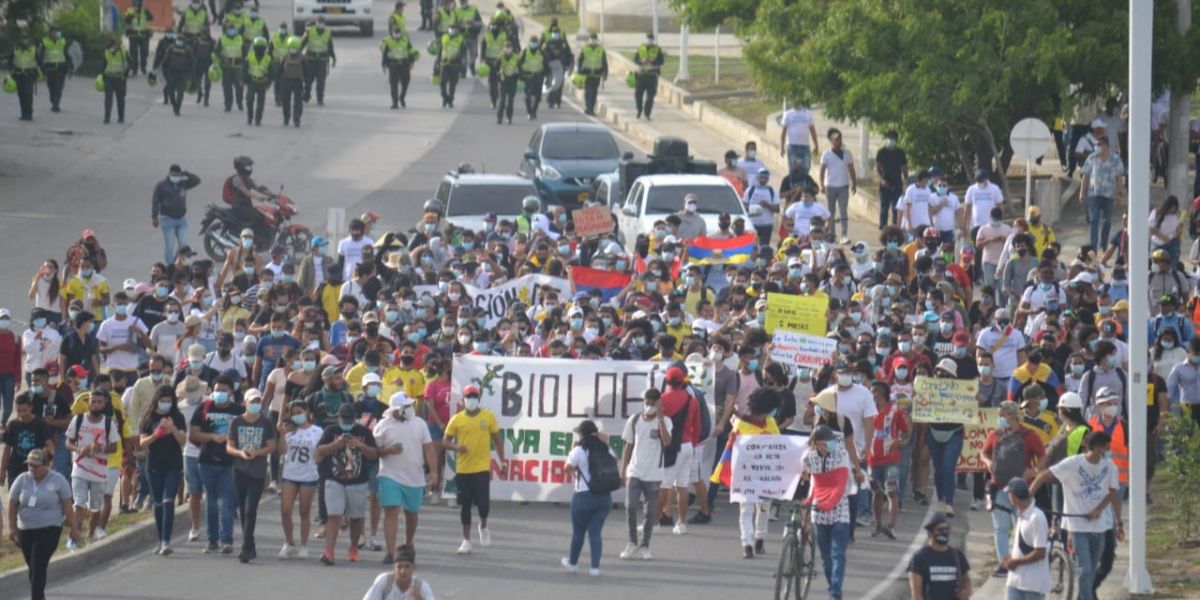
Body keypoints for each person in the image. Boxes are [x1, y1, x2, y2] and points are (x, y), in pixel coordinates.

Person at [1029, 431, 1122, 600]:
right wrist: (1027, 500)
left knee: (1091, 571)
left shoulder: (1110, 467)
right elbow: (1043, 476)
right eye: (1106, 448)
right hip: (1077, 526)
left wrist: (1108, 515)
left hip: (1099, 526)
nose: (1108, 452)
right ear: (1096, 448)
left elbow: (1113, 493)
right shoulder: (1072, 464)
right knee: (1085, 569)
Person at [6, 450, 81, 600]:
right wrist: (12, 528)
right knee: (33, 567)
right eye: (30, 466)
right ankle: (39, 596)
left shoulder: (58, 480)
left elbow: (67, 506)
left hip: (49, 528)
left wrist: (73, 528)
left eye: (36, 466)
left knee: (38, 563)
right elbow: (13, 504)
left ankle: (36, 597)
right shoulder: (22, 480)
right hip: (25, 530)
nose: (32, 469)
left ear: (46, 465)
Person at [981, 400, 1044, 577]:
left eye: (1003, 415)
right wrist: (989, 463)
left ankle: (1019, 560)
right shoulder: (995, 434)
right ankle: (1004, 563)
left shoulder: (1030, 436)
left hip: (1020, 490)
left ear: (1013, 416)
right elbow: (983, 453)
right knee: (1000, 528)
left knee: (1021, 527)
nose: (1000, 418)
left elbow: (1043, 456)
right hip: (998, 487)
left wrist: (1034, 472)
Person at [441, 384, 507, 554]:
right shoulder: (457, 419)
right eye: (468, 396)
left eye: (474, 397)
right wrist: (456, 448)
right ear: (463, 400)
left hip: (482, 467)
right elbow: (444, 441)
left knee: (483, 504)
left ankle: (483, 526)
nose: (471, 399)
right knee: (465, 506)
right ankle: (466, 541)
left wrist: (503, 463)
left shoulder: (488, 417)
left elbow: (498, 441)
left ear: (478, 399)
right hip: (463, 468)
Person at [373, 391, 437, 562]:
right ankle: (391, 551)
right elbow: (375, 451)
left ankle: (408, 544)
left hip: (414, 476)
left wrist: (433, 471)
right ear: (396, 408)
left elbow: (429, 447)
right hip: (389, 474)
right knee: (391, 511)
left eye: (410, 405)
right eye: (406, 406)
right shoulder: (383, 425)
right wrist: (388, 451)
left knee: (411, 513)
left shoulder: (419, 424)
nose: (410, 409)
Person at [316, 402, 378, 566]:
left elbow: (373, 455)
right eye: (344, 419)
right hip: (334, 478)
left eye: (350, 419)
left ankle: (353, 548)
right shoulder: (331, 431)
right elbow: (318, 452)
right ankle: (329, 552)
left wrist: (360, 445)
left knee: (356, 517)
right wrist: (335, 445)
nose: (347, 422)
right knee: (334, 515)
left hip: (357, 480)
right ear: (339, 418)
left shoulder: (363, 432)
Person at [189, 374, 244, 554]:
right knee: (211, 502)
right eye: (218, 390)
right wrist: (212, 436)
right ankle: (212, 539)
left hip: (230, 462)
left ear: (231, 391)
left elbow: (244, 433)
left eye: (224, 390)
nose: (220, 393)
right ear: (212, 391)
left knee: (226, 501)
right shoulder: (204, 408)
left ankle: (226, 539)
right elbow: (194, 435)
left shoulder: (238, 410)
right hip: (207, 461)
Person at [801, 425, 854, 600]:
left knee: (838, 553)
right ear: (815, 444)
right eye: (821, 444)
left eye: (828, 443)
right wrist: (808, 504)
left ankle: (836, 592)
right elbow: (814, 483)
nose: (825, 447)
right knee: (825, 556)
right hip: (819, 510)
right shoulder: (809, 458)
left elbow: (840, 484)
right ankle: (833, 585)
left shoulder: (842, 455)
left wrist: (829, 502)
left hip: (839, 508)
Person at [619, 388, 670, 561]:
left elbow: (667, 441)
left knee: (650, 513)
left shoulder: (665, 421)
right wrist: (623, 469)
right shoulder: (633, 420)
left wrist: (661, 418)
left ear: (659, 404)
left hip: (654, 473)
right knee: (631, 506)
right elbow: (628, 446)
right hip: (635, 471)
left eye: (652, 404)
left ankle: (645, 545)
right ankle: (632, 542)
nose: (648, 407)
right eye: (646, 403)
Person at [226, 388, 276, 562]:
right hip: (240, 470)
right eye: (252, 401)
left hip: (258, 471)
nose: (255, 404)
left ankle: (246, 547)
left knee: (250, 508)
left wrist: (258, 452)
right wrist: (241, 453)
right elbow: (229, 446)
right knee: (242, 509)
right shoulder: (237, 422)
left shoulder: (266, 422)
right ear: (245, 403)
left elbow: (271, 446)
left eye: (258, 401)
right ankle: (250, 543)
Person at [562, 419, 617, 576]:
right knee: (595, 532)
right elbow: (615, 461)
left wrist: (573, 450)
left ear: (582, 435)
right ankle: (595, 568)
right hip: (604, 497)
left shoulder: (579, 451)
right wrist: (606, 442)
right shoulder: (606, 449)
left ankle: (573, 564)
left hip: (583, 496)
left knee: (578, 532)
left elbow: (567, 469)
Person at [65, 388, 120, 540]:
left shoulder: (108, 423)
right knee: (79, 503)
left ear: (104, 404)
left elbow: (114, 446)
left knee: (95, 507)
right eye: (93, 401)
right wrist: (79, 449)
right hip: (80, 468)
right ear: (88, 403)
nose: (96, 405)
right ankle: (73, 538)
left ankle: (90, 535)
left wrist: (100, 448)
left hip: (99, 471)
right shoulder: (78, 420)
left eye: (99, 402)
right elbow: (68, 443)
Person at [139, 385, 187, 555]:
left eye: (169, 401)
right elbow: (142, 443)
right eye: (162, 401)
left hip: (173, 464)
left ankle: (166, 541)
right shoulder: (149, 417)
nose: (166, 404)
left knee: (168, 501)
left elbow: (183, 440)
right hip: (153, 466)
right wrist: (157, 433)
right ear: (156, 401)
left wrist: (172, 428)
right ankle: (160, 540)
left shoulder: (177, 417)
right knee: (157, 503)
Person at [279, 399, 322, 558]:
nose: (297, 416)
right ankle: (289, 542)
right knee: (286, 510)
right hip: (290, 473)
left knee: (304, 511)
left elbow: (320, 452)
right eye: (293, 414)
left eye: (299, 413)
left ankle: (304, 545)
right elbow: (280, 451)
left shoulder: (317, 431)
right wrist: (282, 434)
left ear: (307, 413)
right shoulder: (288, 431)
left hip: (308, 474)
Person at [1001, 477, 1052, 600]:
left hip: (1033, 584)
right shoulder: (1022, 515)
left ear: (1013, 497)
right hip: (1015, 580)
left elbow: (1040, 552)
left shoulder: (1036, 518)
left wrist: (1016, 562)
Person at [907, 512, 971, 600]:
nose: (944, 532)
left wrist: (965, 592)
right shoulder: (919, 558)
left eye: (947, 529)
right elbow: (916, 593)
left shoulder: (957, 555)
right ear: (930, 533)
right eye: (940, 530)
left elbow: (966, 580)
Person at [1078, 134, 1125, 250]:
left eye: (1099, 145)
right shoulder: (1092, 158)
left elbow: (1119, 178)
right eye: (1095, 145)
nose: (1096, 147)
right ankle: (1093, 247)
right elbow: (1085, 176)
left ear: (1106, 146)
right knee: (1094, 220)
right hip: (1093, 194)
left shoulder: (1115, 159)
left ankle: (1103, 245)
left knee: (1107, 221)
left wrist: (1119, 194)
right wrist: (1082, 193)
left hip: (1109, 196)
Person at [1, 394, 55, 489]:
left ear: (31, 408)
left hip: (36, 468)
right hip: (15, 469)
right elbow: (7, 449)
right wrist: (2, 470)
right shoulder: (13, 424)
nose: (22, 414)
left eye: (24, 410)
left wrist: (49, 467)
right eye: (18, 411)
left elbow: (50, 446)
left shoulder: (41, 424)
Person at [151, 165, 201, 265]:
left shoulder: (183, 184)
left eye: (178, 175)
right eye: (174, 175)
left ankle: (176, 262)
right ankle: (170, 266)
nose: (176, 177)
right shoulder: (161, 186)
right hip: (167, 219)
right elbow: (155, 201)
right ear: (169, 174)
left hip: (181, 219)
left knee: (184, 244)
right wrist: (154, 216)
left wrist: (186, 174)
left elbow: (197, 180)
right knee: (169, 246)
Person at [819, 128, 858, 243]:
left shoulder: (847, 154)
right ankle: (831, 235)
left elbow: (851, 169)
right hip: (830, 186)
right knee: (830, 211)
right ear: (831, 140)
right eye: (836, 139)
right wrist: (821, 184)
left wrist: (854, 184)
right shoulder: (826, 154)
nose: (838, 141)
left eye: (839, 139)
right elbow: (821, 171)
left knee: (843, 210)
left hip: (843, 186)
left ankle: (844, 235)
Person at [361, 544, 436, 600]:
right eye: (399, 567)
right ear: (393, 568)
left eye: (407, 567)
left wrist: (419, 599)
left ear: (414, 567)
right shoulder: (385, 581)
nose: (403, 571)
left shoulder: (421, 587)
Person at [875, 131, 908, 229]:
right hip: (885, 184)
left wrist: (906, 180)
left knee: (896, 208)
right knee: (884, 208)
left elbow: (904, 167)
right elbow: (877, 167)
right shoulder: (881, 152)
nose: (891, 141)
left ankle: (895, 228)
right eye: (889, 138)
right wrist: (881, 180)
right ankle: (883, 227)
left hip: (897, 184)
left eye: (893, 139)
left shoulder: (900, 153)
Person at [156, 34, 195, 116]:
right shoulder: (171, 48)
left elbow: (191, 63)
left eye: (181, 40)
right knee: (170, 92)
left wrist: (191, 75)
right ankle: (174, 104)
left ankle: (177, 108)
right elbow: (166, 61)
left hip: (182, 74)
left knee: (180, 92)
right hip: (172, 73)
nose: (179, 42)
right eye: (178, 40)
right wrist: (164, 72)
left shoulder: (188, 50)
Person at [38, 26, 74, 113]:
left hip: (61, 68)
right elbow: (40, 55)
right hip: (49, 68)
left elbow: (67, 54)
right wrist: (41, 68)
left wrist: (70, 66)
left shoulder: (62, 41)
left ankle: (55, 105)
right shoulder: (45, 41)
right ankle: (53, 100)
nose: (56, 34)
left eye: (58, 32)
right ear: (50, 33)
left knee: (59, 87)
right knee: (51, 87)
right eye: (54, 32)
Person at [302, 17, 336, 105]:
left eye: (322, 23)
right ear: (316, 23)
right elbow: (302, 44)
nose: (321, 25)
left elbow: (330, 46)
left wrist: (333, 57)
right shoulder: (309, 31)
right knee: (308, 80)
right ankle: (307, 95)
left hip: (322, 60)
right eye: (319, 23)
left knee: (321, 82)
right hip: (310, 60)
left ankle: (320, 99)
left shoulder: (327, 33)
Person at [380, 29, 416, 109]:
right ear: (392, 33)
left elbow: (411, 50)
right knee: (393, 84)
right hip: (393, 65)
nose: (396, 34)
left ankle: (402, 97)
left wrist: (412, 61)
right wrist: (384, 65)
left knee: (405, 83)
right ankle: (394, 103)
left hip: (404, 64)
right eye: (395, 33)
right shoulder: (388, 41)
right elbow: (385, 54)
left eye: (398, 33)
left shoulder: (405, 40)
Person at [216, 21, 246, 112]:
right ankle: (228, 104)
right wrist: (222, 58)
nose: (232, 30)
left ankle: (239, 102)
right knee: (227, 87)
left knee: (239, 86)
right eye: (230, 29)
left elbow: (244, 52)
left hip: (238, 66)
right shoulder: (222, 39)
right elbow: (216, 52)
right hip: (226, 66)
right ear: (226, 30)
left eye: (233, 29)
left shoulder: (240, 38)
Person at [633, 32, 663, 120]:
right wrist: (642, 61)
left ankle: (647, 113)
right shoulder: (641, 48)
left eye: (651, 39)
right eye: (648, 39)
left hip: (652, 76)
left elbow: (661, 61)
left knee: (650, 97)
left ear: (653, 40)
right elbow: (635, 59)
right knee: (638, 95)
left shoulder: (657, 49)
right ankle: (639, 110)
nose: (649, 40)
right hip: (641, 75)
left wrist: (652, 62)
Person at [517, 35, 548, 120]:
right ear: (529, 43)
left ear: (538, 44)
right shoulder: (525, 52)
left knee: (538, 97)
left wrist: (547, 77)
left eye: (535, 43)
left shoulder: (542, 52)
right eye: (532, 43)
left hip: (538, 76)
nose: (533, 44)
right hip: (527, 76)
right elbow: (519, 64)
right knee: (528, 96)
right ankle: (529, 112)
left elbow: (546, 65)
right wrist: (520, 76)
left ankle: (534, 111)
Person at [8, 36, 39, 121]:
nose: (24, 41)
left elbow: (39, 61)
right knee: (21, 95)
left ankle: (29, 114)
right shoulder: (15, 50)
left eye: (26, 39)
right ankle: (23, 114)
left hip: (30, 75)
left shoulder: (33, 50)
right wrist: (11, 71)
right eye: (22, 39)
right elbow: (10, 61)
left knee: (28, 94)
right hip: (18, 75)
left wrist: (40, 73)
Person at [576, 32, 606, 116]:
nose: (593, 41)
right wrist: (579, 71)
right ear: (589, 40)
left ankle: (591, 109)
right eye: (592, 39)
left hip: (597, 74)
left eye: (594, 39)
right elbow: (580, 60)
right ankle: (588, 108)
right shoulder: (585, 48)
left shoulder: (600, 49)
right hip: (587, 74)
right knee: (588, 92)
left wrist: (605, 73)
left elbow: (604, 62)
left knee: (594, 93)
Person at [244, 36, 272, 126]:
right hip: (252, 82)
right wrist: (242, 80)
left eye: (261, 48)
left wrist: (268, 83)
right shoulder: (250, 57)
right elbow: (244, 69)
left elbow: (271, 72)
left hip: (262, 83)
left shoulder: (268, 58)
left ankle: (258, 120)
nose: (260, 50)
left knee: (260, 104)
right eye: (258, 48)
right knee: (249, 100)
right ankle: (250, 118)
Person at [101, 37, 130, 124]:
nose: (110, 49)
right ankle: (107, 117)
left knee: (120, 99)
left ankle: (121, 117)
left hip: (120, 79)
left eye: (111, 47)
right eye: (109, 47)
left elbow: (131, 63)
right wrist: (101, 75)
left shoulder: (123, 52)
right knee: (108, 99)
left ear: (115, 45)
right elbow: (104, 64)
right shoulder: (107, 51)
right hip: (109, 78)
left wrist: (125, 75)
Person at [278, 35, 305, 126]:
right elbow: (280, 71)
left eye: (295, 48)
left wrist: (306, 84)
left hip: (298, 82)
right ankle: (286, 118)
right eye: (291, 48)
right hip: (286, 81)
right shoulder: (284, 57)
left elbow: (306, 71)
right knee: (285, 101)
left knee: (298, 102)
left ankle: (296, 119)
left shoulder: (302, 58)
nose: (293, 50)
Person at [436, 24, 466, 108]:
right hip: (444, 63)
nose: (452, 30)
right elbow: (440, 50)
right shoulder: (444, 37)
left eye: (454, 29)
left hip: (455, 64)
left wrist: (457, 56)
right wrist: (437, 62)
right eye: (451, 29)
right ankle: (445, 98)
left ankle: (450, 100)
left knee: (452, 84)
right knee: (442, 82)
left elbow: (463, 52)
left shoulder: (461, 39)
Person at [123, 0, 154, 75]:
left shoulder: (145, 10)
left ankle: (143, 68)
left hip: (143, 35)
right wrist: (132, 14)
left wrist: (146, 10)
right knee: (134, 54)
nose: (136, 6)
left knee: (144, 52)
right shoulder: (130, 11)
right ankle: (134, 69)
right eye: (134, 4)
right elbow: (126, 20)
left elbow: (151, 18)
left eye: (137, 4)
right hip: (133, 35)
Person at [494, 44, 520, 124]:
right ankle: (499, 118)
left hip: (512, 80)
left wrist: (518, 77)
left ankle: (509, 118)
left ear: (512, 49)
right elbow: (496, 70)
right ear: (504, 49)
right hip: (503, 81)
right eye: (506, 48)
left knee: (510, 101)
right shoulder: (500, 58)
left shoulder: (516, 58)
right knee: (502, 100)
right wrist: (499, 76)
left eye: (509, 48)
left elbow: (520, 69)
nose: (508, 50)